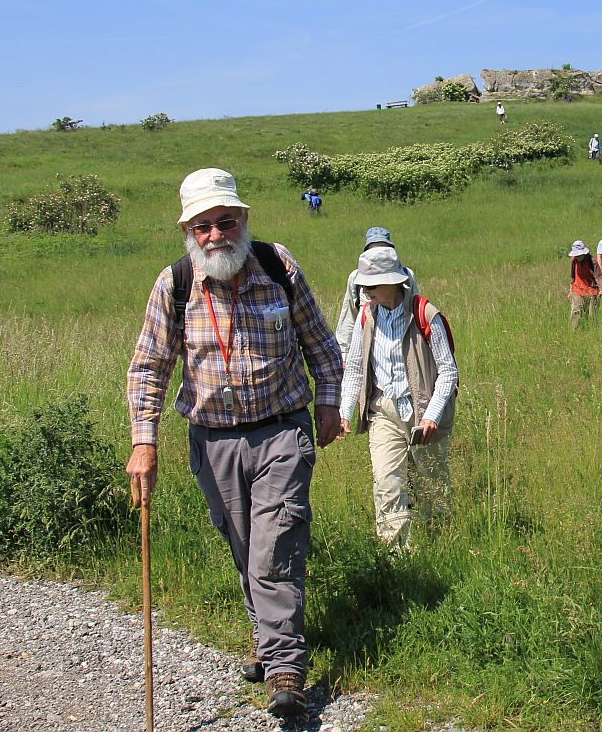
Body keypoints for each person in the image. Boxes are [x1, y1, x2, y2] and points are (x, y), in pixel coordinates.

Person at [125, 168, 343, 719]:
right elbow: (149, 368)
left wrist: (328, 402)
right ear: (189, 231)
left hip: (282, 429)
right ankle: (268, 644)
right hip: (213, 438)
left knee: (277, 543)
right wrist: (144, 443)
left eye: (225, 221)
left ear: (243, 219)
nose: (215, 234)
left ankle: (287, 667)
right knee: (244, 544)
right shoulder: (174, 286)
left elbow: (320, 341)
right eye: (203, 226)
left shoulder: (278, 266)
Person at [338, 246, 458, 551]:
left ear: (394, 282)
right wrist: (344, 410)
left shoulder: (425, 313)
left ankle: (439, 548)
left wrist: (431, 415)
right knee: (388, 484)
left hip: (422, 414)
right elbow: (353, 367)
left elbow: (448, 372)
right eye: (362, 285)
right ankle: (396, 559)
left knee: (432, 487)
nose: (365, 291)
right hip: (383, 413)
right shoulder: (366, 316)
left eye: (372, 285)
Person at [335, 226, 419, 360]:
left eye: (383, 250)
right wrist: (345, 355)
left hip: (401, 346)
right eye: (373, 250)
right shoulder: (355, 278)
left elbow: (416, 312)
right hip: (366, 347)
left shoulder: (407, 275)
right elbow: (349, 316)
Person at [567, 239, 602, 329]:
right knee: (576, 311)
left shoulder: (592, 261)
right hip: (577, 288)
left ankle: (592, 331)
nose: (578, 256)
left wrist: (601, 290)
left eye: (579, 254)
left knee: (591, 314)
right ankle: (573, 332)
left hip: (591, 289)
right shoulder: (573, 260)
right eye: (576, 255)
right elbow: (572, 276)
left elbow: (599, 276)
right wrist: (570, 290)